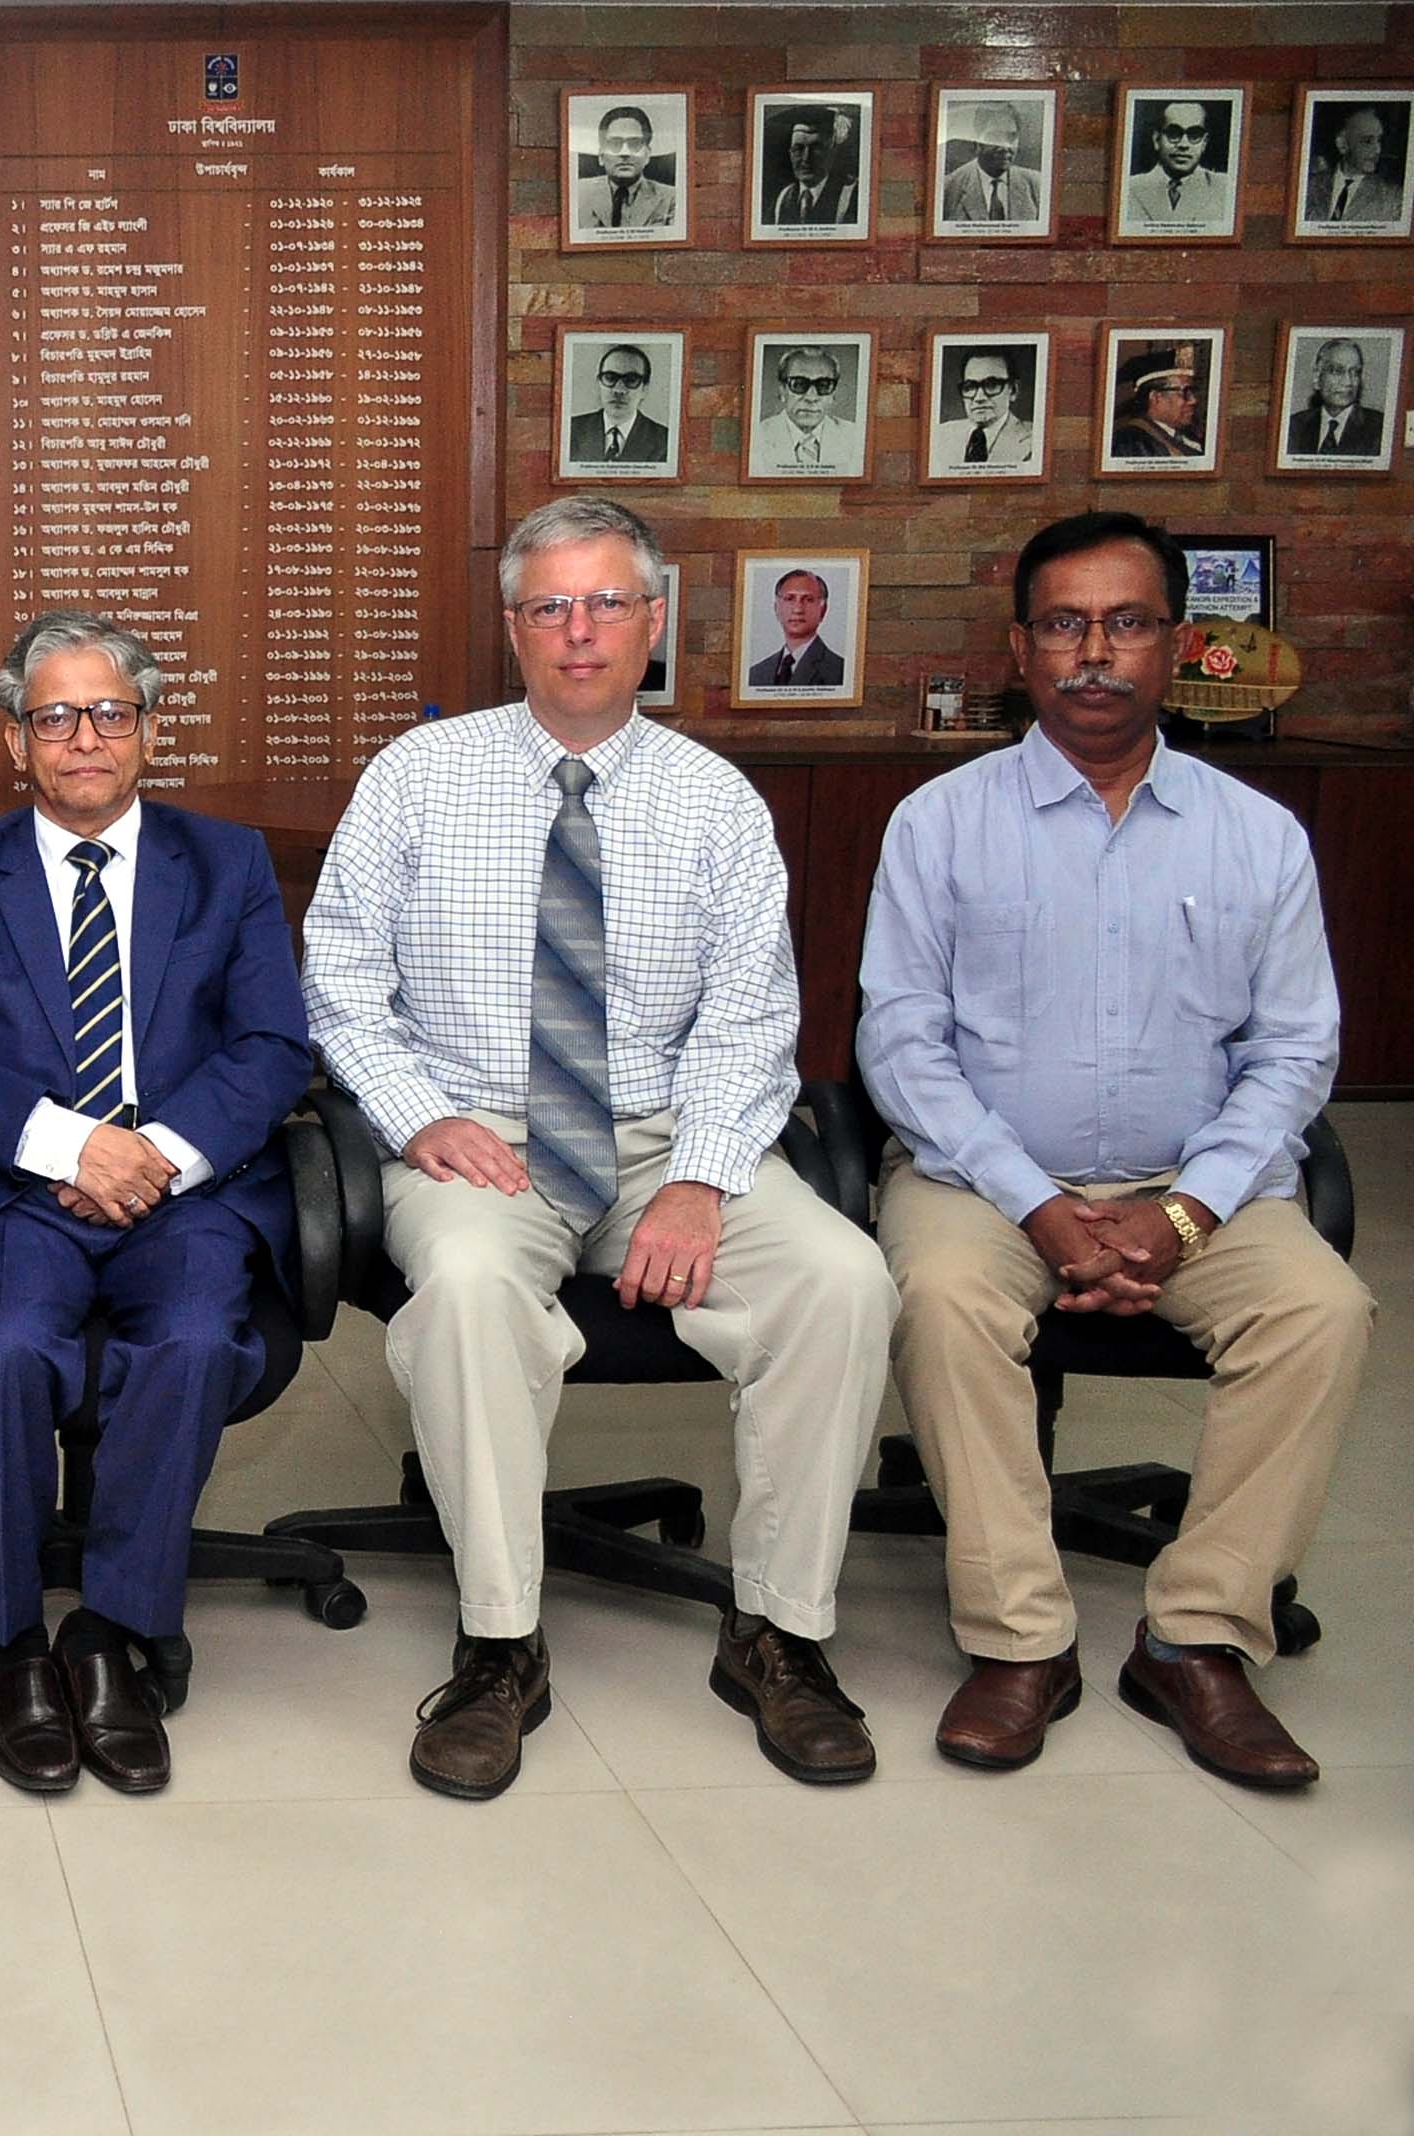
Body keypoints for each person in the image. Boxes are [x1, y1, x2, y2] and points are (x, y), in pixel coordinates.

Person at [301, 495, 895, 1801]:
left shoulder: (717, 805)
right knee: (462, 1290)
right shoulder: (419, 775)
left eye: (607, 603)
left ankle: (781, 1635)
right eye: (551, 606)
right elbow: (338, 979)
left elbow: (754, 1021)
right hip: (475, 1142)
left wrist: (698, 1178)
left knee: (844, 1280)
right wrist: (415, 1114)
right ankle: (500, 1646)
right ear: (512, 628)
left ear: (654, 621)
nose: (580, 631)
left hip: (666, 1142)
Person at [857, 510, 1367, 1790]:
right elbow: (902, 1043)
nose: (1097, 652)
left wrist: (1185, 1212)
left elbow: (1296, 1051)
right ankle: (1020, 1640)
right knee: (942, 1296)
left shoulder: (1259, 835)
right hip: (982, 1177)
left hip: (1199, 1183)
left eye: (1128, 623)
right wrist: (1034, 1204)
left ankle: (1195, 1635)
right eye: (1067, 625)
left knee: (1322, 1311)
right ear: (1022, 647)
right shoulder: (939, 822)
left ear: (1178, 645)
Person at [0, 611, 315, 1795]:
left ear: (150, 731)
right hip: (16, 1189)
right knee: (11, 1347)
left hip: (187, 1191)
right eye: (54, 715)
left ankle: (115, 1633)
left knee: (187, 1338)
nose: (84, 737)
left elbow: (275, 1046)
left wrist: (153, 1155)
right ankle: (15, 1641)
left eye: (110, 712)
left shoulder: (222, 864)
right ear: (16, 742)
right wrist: (72, 1147)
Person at [748, 346, 861, 476]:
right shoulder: (756, 437)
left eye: (823, 385)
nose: (811, 398)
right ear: (782, 391)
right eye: (799, 384)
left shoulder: (855, 437)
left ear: (833, 394)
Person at [1123, 100, 1232, 227]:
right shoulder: (1129, 188)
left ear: (1204, 143)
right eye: (1173, 133)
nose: (1183, 145)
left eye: (1194, 135)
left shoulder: (1225, 188)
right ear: (1157, 139)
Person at [573, 105, 677, 231]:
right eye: (615, 143)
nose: (625, 152)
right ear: (601, 155)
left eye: (634, 144)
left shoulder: (671, 198)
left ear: (647, 155)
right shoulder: (578, 193)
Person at [931, 351, 1036, 472]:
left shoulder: (1035, 440)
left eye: (991, 385)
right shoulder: (939, 435)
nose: (979, 398)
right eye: (970, 387)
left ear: (1013, 391)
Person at [565, 345, 668, 466]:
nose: (619, 390)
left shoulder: (665, 441)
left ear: (645, 389)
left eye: (631, 380)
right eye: (610, 378)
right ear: (599, 383)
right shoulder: (569, 430)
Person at [941, 102, 1043, 224]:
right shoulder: (948, 188)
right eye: (995, 137)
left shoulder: (1038, 185)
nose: (1005, 146)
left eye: (1011, 137)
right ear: (977, 141)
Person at [747, 569, 847, 690]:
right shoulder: (756, 674)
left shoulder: (840, 672)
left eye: (808, 599)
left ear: (823, 610)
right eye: (789, 599)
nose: (798, 609)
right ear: (776, 608)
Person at [1284, 338, 1383, 459]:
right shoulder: (1293, 427)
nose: (1348, 382)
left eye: (1355, 372)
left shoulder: (1380, 428)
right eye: (1337, 371)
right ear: (1317, 377)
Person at [1305, 105, 1404, 226]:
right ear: (1342, 144)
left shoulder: (1393, 198)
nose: (1378, 150)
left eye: (1379, 140)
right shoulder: (1309, 185)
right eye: (1367, 141)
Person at [1109, 345, 1208, 461]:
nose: (1193, 400)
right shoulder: (1130, 443)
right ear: (1156, 397)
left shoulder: (1192, 436)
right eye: (1185, 392)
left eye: (1193, 392)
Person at [768, 106, 858, 225]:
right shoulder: (783, 199)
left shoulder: (851, 195)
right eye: (798, 149)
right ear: (790, 153)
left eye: (817, 149)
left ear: (832, 152)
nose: (806, 158)